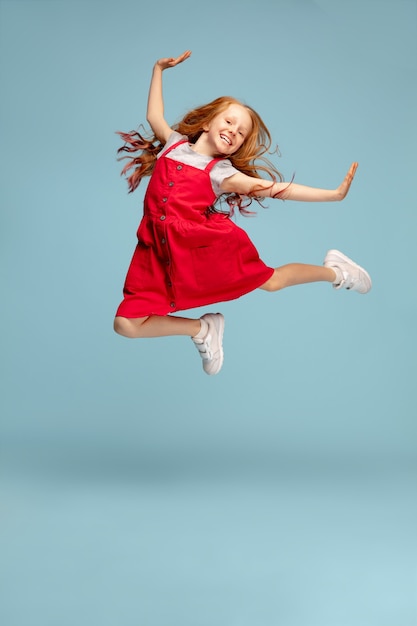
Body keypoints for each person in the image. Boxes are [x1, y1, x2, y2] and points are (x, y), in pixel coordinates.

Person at [114, 50, 371, 375]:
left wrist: (332, 195)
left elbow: (277, 189)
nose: (234, 132)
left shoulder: (221, 173)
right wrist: (158, 70)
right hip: (155, 250)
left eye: (241, 133)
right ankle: (202, 329)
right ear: (207, 123)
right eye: (229, 122)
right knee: (126, 324)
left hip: (198, 247)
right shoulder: (173, 144)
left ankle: (337, 272)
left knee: (272, 282)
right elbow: (154, 116)